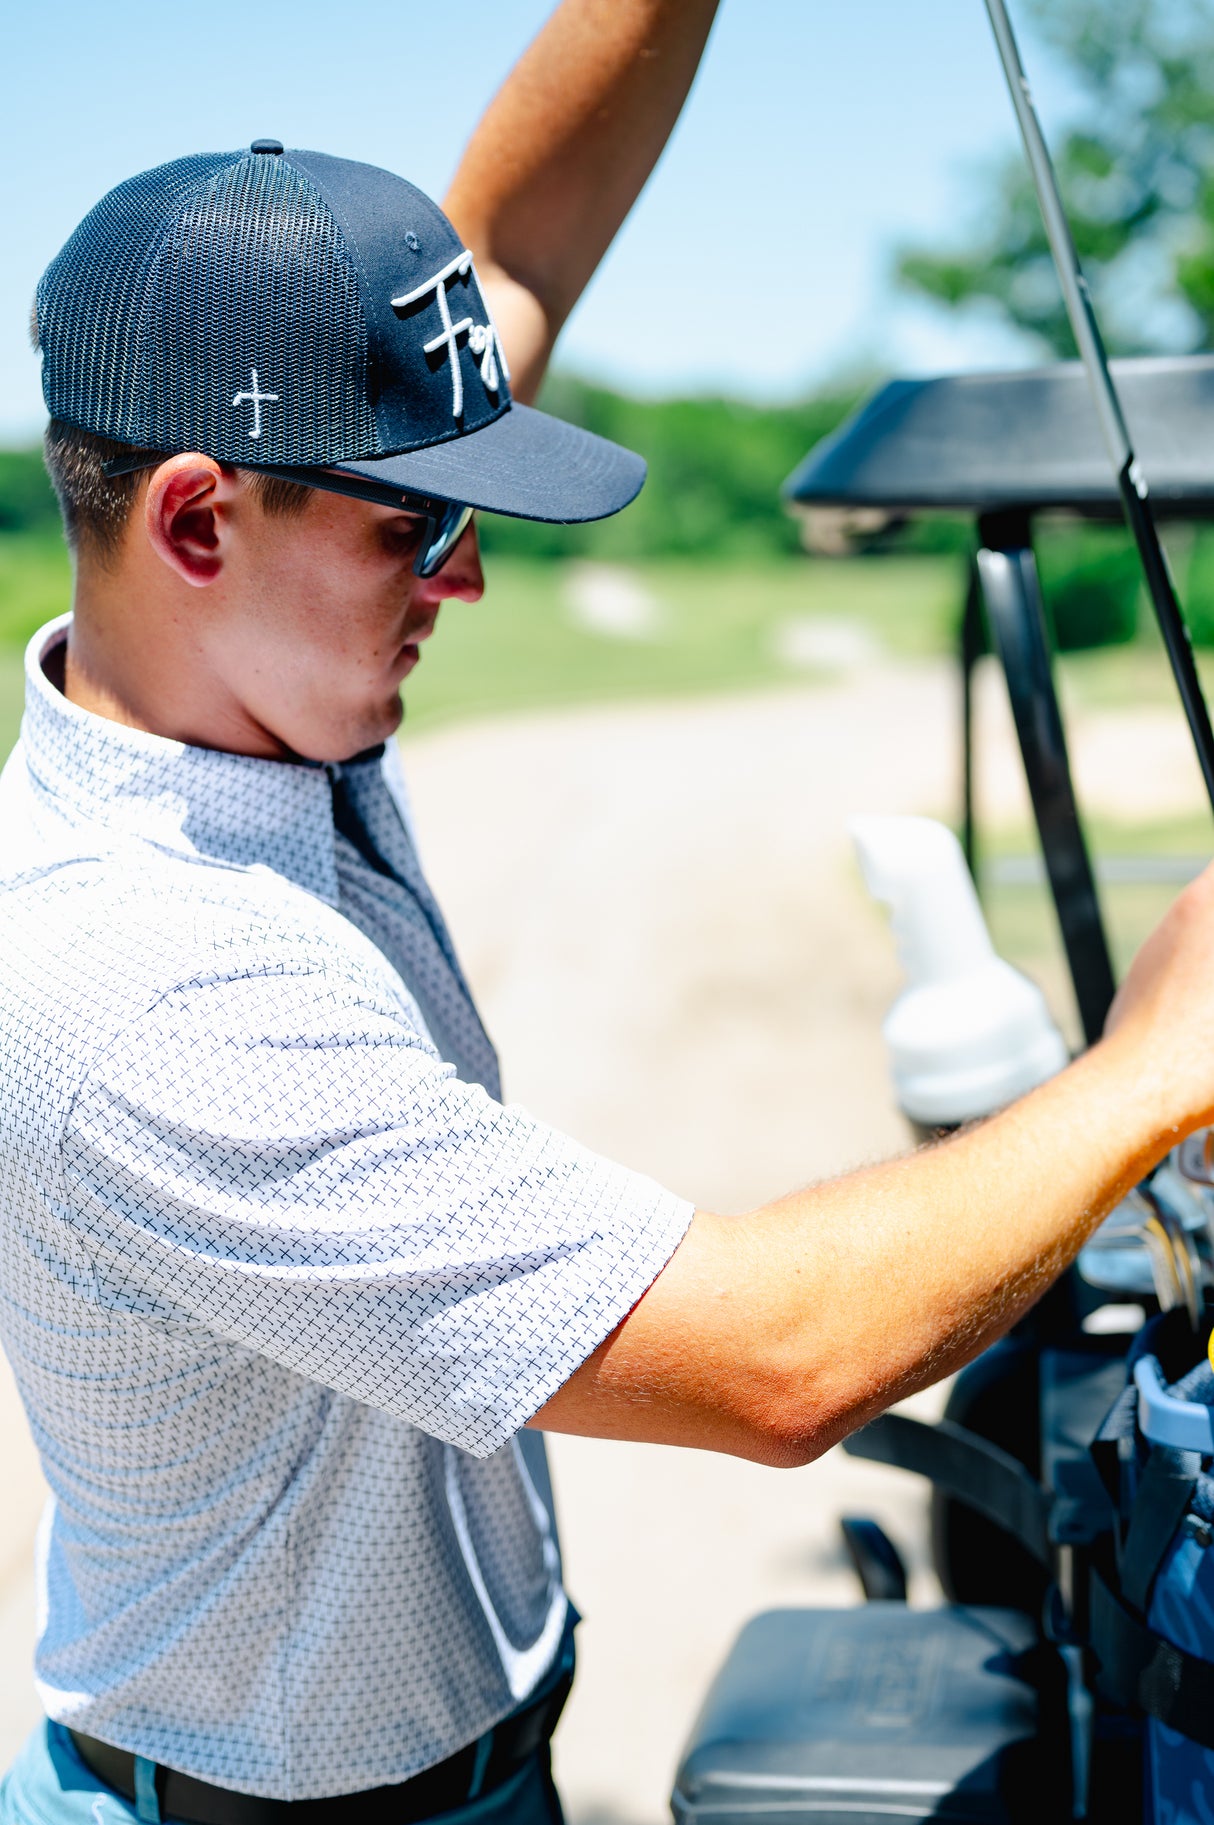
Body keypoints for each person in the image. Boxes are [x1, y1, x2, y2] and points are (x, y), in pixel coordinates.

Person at [4, 3, 1214, 1822]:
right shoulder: (145, 978)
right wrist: (1152, 1061)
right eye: (418, 525)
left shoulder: (231, 686)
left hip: (459, 1766)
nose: (470, 573)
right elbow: (771, 1356)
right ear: (194, 524)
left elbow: (514, 247)